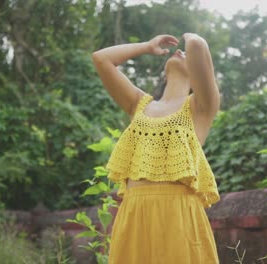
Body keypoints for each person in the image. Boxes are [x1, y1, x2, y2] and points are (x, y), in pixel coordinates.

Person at [92, 33, 221, 264]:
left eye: (185, 55)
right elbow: (101, 59)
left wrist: (188, 38)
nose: (179, 52)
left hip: (178, 214)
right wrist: (146, 45)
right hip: (134, 212)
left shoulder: (200, 107)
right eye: (178, 52)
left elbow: (197, 45)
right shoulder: (139, 104)